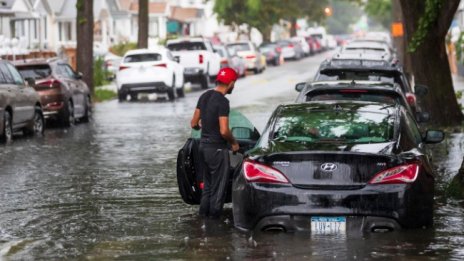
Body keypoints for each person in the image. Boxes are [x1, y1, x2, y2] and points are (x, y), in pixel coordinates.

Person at [190, 67, 240, 219]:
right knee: (218, 189)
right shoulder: (223, 101)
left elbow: (193, 123)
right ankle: (214, 228)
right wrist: (234, 143)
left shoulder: (204, 96)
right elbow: (224, 130)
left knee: (207, 188)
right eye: (234, 83)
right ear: (231, 83)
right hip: (216, 149)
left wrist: (203, 126)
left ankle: (203, 222)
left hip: (202, 147)